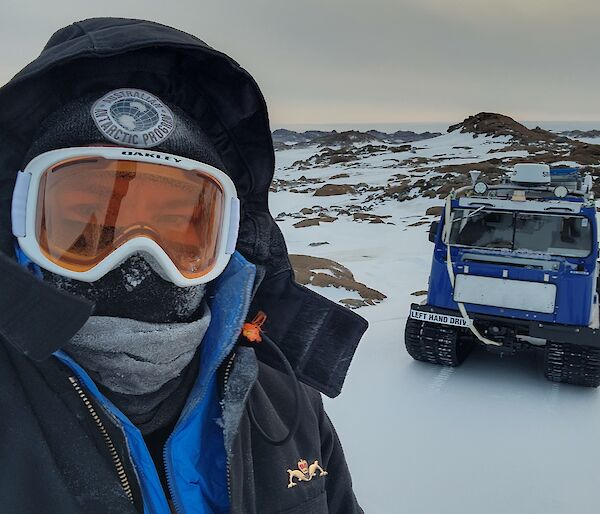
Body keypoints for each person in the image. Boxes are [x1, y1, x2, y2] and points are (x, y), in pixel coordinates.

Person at [0, 18, 368, 514]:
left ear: (226, 237)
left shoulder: (283, 395)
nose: (136, 261)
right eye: (89, 225)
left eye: (177, 226)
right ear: (23, 218)